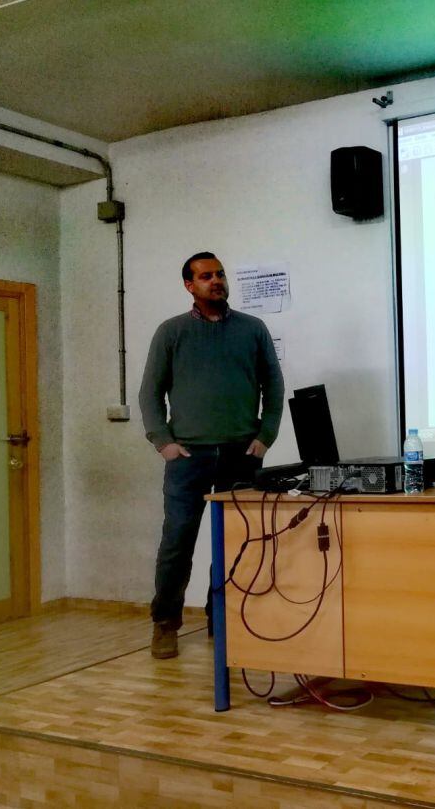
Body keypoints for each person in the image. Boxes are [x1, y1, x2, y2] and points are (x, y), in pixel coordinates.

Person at [139, 251, 284, 659]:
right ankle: (165, 623)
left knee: (236, 543)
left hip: (242, 454)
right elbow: (150, 393)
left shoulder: (252, 329)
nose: (216, 280)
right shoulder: (171, 332)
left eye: (219, 274)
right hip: (188, 457)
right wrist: (163, 442)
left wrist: (265, 437)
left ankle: (221, 618)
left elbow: (274, 387)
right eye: (206, 276)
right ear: (189, 285)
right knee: (177, 544)